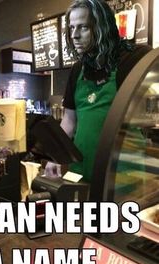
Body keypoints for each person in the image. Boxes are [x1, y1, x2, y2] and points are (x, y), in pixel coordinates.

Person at [45, 0, 151, 182]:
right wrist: (56, 156)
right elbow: (69, 121)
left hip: (124, 172)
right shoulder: (78, 69)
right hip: (82, 169)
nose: (75, 35)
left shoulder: (133, 57)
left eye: (83, 27)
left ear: (102, 26)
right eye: (71, 28)